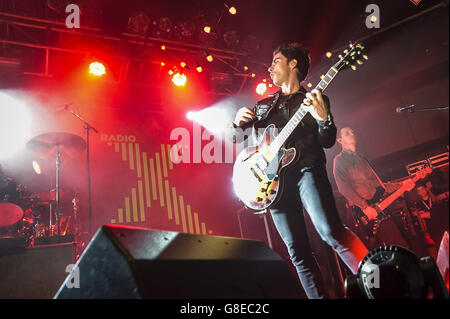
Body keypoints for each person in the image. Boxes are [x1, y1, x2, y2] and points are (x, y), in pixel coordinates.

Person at [229, 43, 368, 299]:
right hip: (273, 186)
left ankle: (380, 284)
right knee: (298, 253)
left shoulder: (316, 98)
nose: (270, 68)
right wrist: (236, 124)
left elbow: (327, 141)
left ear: (293, 64)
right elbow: (238, 138)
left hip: (307, 171)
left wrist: (324, 119)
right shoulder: (263, 106)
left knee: (330, 231)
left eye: (276, 61)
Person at [333, 126, 413, 250]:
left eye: (352, 132)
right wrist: (364, 206)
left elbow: (381, 186)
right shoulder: (339, 161)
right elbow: (344, 188)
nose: (352, 134)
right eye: (347, 133)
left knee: (400, 246)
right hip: (366, 213)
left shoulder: (362, 158)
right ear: (339, 140)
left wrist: (402, 185)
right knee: (396, 248)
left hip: (381, 208)